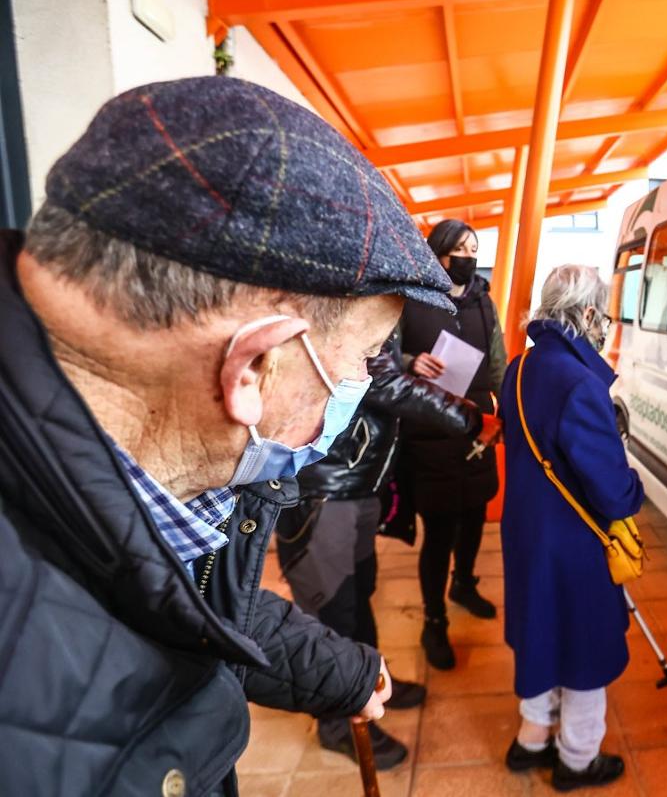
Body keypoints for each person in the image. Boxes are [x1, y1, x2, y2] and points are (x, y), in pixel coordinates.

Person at [0, 76, 455, 795]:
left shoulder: (162, 471)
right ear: (256, 365)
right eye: (362, 360)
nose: (364, 384)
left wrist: (339, 670)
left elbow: (181, 604)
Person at [279, 333, 482, 768]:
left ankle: (371, 680)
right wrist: (467, 417)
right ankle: (338, 723)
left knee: (357, 598)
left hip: (352, 484)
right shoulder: (350, 291)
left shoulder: (375, 301)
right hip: (323, 489)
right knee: (330, 610)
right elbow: (384, 382)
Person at [497, 265, 644, 791]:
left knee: (541, 633)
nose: (604, 327)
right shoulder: (581, 382)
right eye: (602, 315)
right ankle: (577, 760)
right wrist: (633, 488)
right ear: (585, 313)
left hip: (526, 534)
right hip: (574, 544)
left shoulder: (519, 369)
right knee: (584, 646)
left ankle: (531, 739)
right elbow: (609, 487)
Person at [396, 218, 506, 670]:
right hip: (429, 430)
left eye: (473, 247)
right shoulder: (410, 301)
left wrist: (497, 408)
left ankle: (464, 583)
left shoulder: (483, 301)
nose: (467, 255)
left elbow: (497, 362)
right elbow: (382, 355)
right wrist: (409, 362)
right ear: (437, 253)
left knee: (476, 515)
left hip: (475, 426)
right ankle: (434, 619)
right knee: (438, 531)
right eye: (458, 247)